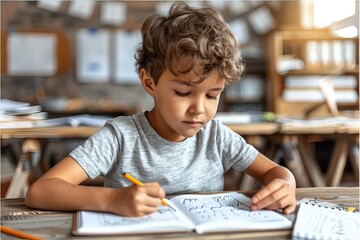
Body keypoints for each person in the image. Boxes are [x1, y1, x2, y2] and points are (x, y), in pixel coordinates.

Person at [25, 1, 296, 217]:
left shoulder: (216, 136)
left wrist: (285, 185)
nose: (198, 109)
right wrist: (113, 200)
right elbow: (41, 191)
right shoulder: (120, 137)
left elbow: (277, 173)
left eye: (213, 95)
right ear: (149, 82)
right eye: (183, 92)